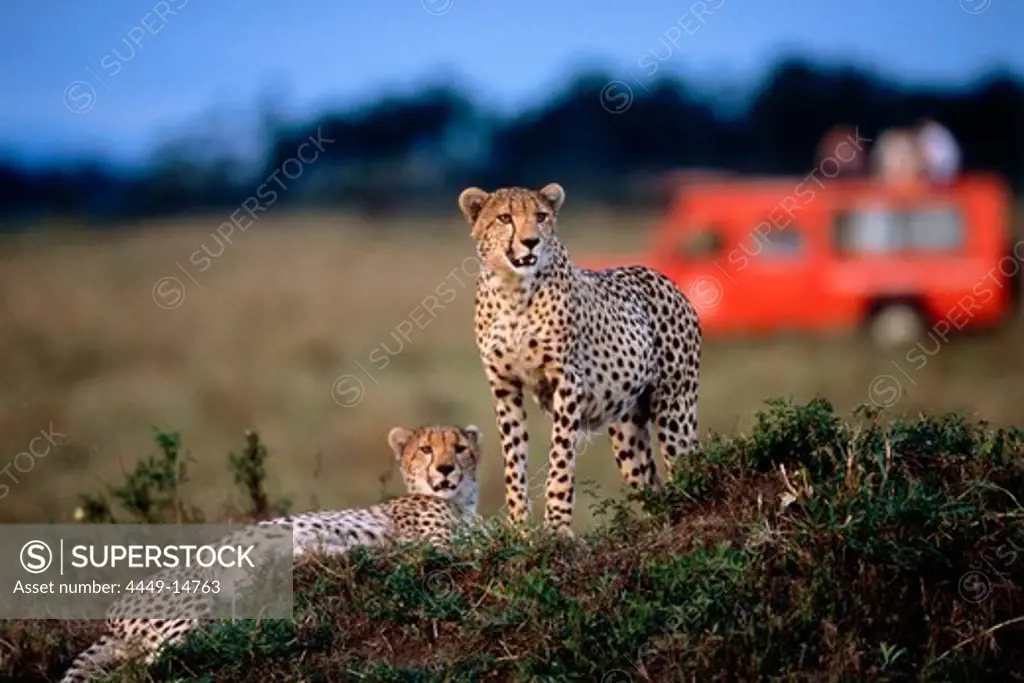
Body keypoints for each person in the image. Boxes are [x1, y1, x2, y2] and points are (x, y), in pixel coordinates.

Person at [915, 117, 961, 183]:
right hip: (950, 168)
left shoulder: (929, 131)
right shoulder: (942, 130)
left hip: (942, 167)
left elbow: (926, 153)